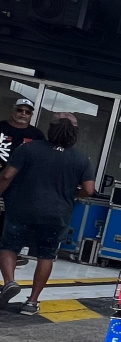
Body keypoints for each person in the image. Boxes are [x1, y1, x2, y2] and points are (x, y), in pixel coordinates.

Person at [0, 114, 95, 314]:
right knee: (46, 255)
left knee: (9, 247)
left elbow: (7, 175)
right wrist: (71, 194)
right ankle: (32, 302)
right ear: (75, 133)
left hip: (22, 208)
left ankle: (9, 282)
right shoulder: (81, 159)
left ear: (51, 128)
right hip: (57, 214)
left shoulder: (28, 148)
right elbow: (89, 190)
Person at [0, 97, 45, 267]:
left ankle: (10, 253)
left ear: (31, 115)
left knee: (12, 220)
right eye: (20, 110)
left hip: (21, 187)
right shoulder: (1, 127)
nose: (23, 114)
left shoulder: (37, 135)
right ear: (13, 110)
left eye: (27, 111)